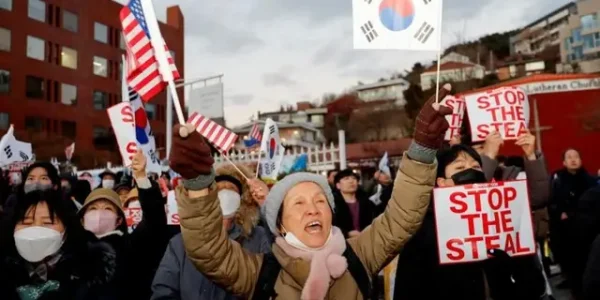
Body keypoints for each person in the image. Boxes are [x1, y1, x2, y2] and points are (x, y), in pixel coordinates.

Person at [168, 84, 452, 299]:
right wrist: (198, 184)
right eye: (298, 203)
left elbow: (401, 219)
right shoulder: (259, 272)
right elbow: (208, 251)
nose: (312, 208)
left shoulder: (360, 255)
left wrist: (423, 150)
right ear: (279, 223)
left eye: (320, 200)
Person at [393, 144, 546, 300]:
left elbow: (535, 288)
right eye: (460, 167)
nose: (471, 172)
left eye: (476, 166)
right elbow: (407, 290)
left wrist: (517, 266)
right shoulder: (424, 230)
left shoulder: (502, 221)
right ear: (442, 182)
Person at [151, 164, 271, 300]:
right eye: (219, 189)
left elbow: (273, 278)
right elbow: (163, 291)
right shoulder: (180, 242)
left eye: (231, 189)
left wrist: (267, 205)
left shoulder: (258, 237)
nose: (225, 193)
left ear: (241, 200)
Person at [78, 150, 169, 300]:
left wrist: (141, 178)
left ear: (119, 220)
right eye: (93, 209)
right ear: (82, 219)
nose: (99, 214)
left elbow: (154, 219)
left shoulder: (131, 245)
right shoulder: (73, 250)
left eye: (107, 209)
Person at [0, 189, 117, 299]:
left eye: (47, 223)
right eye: (27, 223)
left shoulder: (91, 273)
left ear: (66, 230)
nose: (36, 229)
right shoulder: (6, 270)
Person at [549, 148, 597, 295]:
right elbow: (552, 201)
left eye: (576, 156)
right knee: (569, 259)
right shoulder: (557, 179)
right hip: (565, 228)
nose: (573, 159)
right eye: (569, 157)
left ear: (581, 160)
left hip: (587, 227)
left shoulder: (591, 180)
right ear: (564, 162)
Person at [333, 169, 376, 238]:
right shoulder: (333, 204)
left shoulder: (367, 202)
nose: (351, 181)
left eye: (354, 178)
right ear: (338, 185)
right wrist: (347, 233)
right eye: (346, 179)